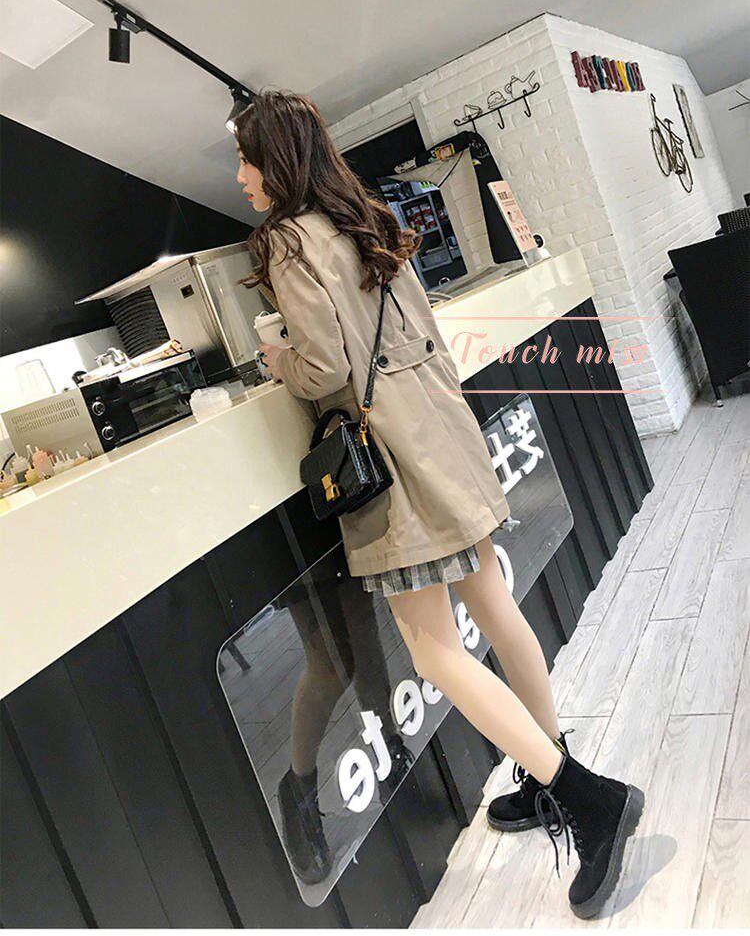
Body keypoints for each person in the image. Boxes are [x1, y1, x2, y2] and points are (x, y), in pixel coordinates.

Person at [234, 88, 644, 920]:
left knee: (433, 654)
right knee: (495, 609)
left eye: (245, 159)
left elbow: (325, 368)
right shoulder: (366, 216)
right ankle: (550, 771)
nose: (240, 176)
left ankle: (585, 799)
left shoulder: (284, 240)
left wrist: (278, 362)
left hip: (394, 464)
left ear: (275, 160)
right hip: (442, 434)